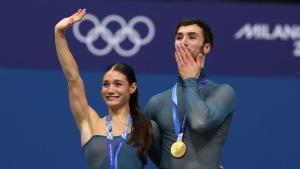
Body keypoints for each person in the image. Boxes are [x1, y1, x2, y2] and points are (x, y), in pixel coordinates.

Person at [54, 9, 152, 169]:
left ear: (132, 87)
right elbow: (73, 79)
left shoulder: (147, 128)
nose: (110, 90)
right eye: (106, 84)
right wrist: (59, 34)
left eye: (118, 84)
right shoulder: (89, 122)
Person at [144, 18, 235, 169]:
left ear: (207, 47)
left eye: (191, 37)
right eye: (179, 37)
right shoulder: (157, 102)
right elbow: (141, 142)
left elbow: (200, 122)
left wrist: (190, 80)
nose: (183, 42)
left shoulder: (222, 92)